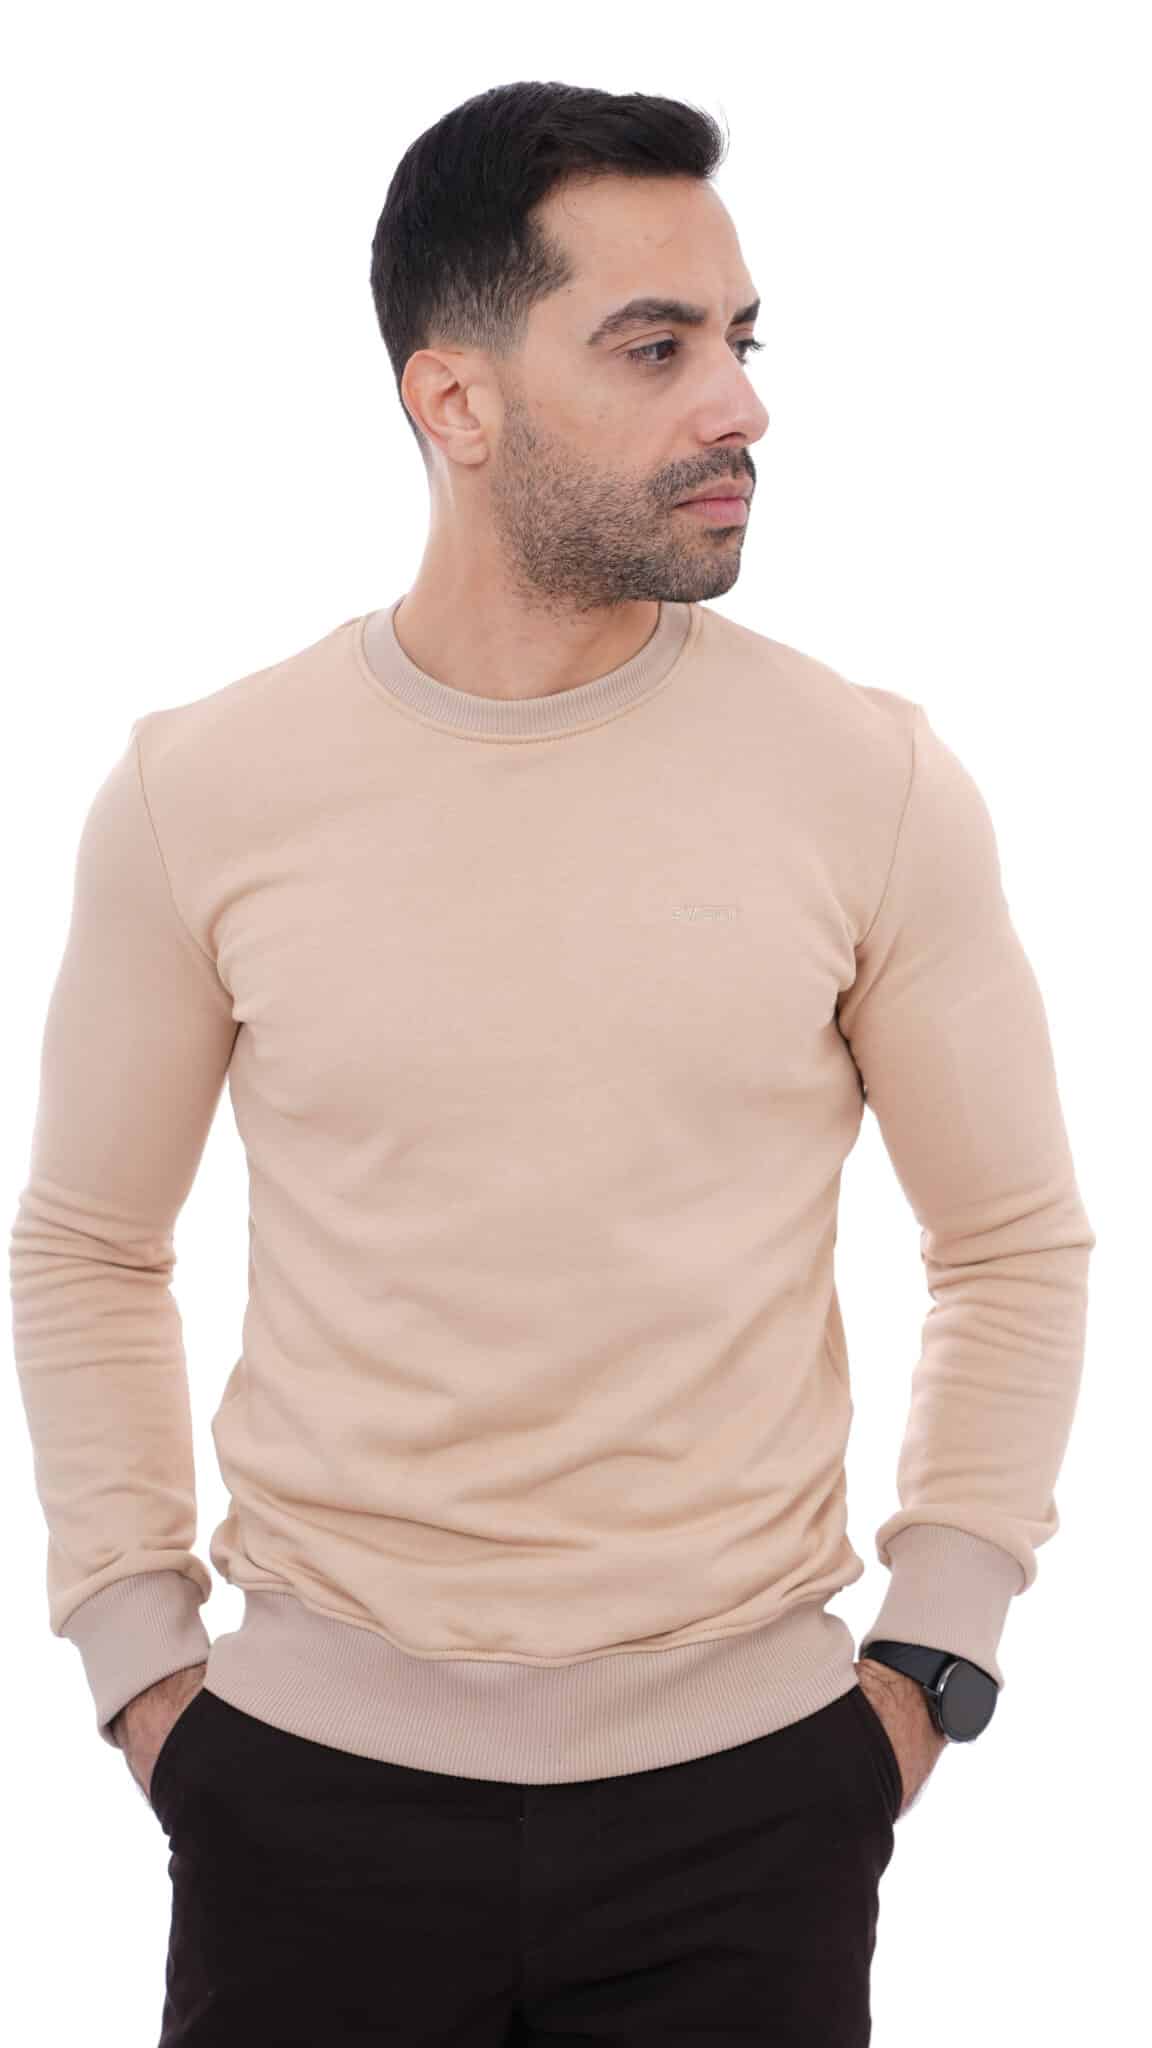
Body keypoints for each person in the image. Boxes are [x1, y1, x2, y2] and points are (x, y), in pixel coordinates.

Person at [9, 79, 1095, 2047]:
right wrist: (140, 1667)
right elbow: (87, 1245)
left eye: (742, 338)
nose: (741, 404)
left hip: (754, 1808)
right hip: (302, 1803)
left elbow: (1013, 1244)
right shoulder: (202, 791)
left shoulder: (868, 781)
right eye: (654, 346)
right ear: (455, 401)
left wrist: (937, 1658)